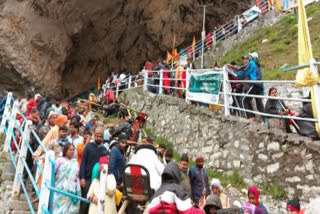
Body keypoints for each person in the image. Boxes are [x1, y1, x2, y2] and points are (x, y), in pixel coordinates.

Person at [79, 126, 107, 214]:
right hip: (87, 179)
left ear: (103, 138)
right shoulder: (88, 147)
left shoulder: (104, 150)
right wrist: (82, 177)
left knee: (95, 203)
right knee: (85, 201)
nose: (98, 138)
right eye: (97, 136)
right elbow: (83, 163)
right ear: (94, 136)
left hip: (98, 180)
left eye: (100, 136)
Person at [229, 55, 264, 120]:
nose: (244, 60)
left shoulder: (251, 63)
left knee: (243, 99)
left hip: (253, 85)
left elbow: (243, 72)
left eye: (246, 58)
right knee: (258, 104)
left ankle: (249, 118)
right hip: (256, 86)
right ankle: (265, 120)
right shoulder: (257, 64)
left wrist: (232, 70)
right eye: (243, 59)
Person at [52, 144, 81, 214]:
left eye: (73, 150)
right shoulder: (60, 160)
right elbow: (53, 173)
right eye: (70, 150)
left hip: (71, 192)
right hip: (60, 191)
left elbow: (77, 177)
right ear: (65, 151)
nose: (72, 151)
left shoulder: (75, 163)